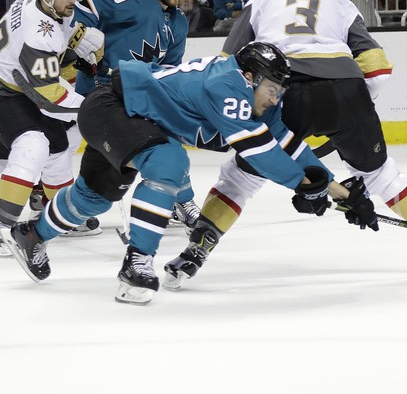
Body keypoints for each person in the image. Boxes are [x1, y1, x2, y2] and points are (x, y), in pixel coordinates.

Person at [164, 0, 407, 290]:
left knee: (239, 178)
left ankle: (196, 250)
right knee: (381, 174)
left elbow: (228, 64)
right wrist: (350, 109)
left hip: (283, 92)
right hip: (346, 89)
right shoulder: (342, 5)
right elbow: (378, 68)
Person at [3, 41, 375, 305]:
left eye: (279, 91)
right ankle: (137, 264)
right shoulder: (226, 84)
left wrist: (337, 190)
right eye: (272, 89)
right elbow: (258, 152)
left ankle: (31, 233)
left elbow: (290, 146)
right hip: (112, 107)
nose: (275, 99)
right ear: (249, 77)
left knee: (94, 198)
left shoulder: (260, 101)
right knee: (170, 162)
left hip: (134, 117)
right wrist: (303, 186)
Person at [72, 0, 202, 229]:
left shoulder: (178, 21)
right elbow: (84, 2)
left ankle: (182, 199)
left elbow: (168, 68)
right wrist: (83, 37)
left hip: (136, 92)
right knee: (61, 147)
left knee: (167, 136)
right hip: (102, 89)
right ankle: (59, 202)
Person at [0, 0, 103, 257]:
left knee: (58, 148)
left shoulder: (43, 2)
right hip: (7, 91)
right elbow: (50, 98)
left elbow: (63, 28)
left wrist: (80, 39)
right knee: (33, 146)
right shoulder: (37, 32)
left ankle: (57, 214)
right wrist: (94, 108)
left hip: (19, 85)